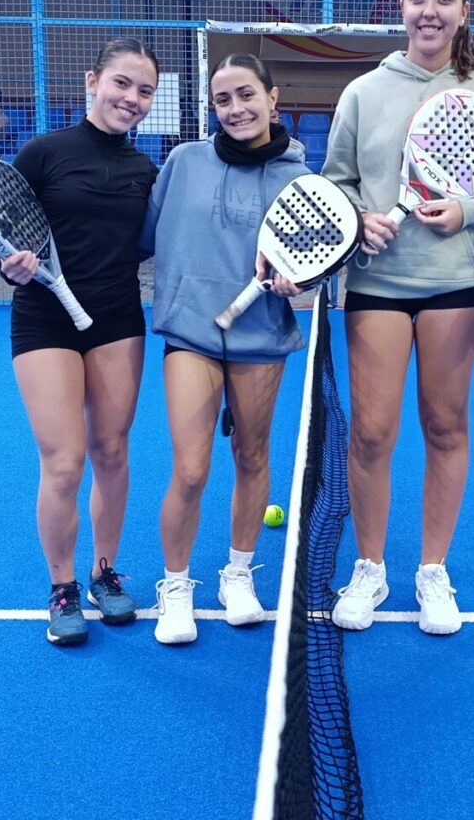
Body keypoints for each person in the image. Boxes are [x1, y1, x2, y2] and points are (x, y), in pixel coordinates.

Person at [322, 0, 474, 636]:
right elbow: (337, 182)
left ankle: (433, 570)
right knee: (371, 432)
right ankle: (370, 568)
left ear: (463, 11)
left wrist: (468, 211)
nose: (429, 10)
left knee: (445, 426)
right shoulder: (362, 93)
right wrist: (358, 220)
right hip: (376, 285)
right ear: (402, 8)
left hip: (455, 286)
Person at [141, 53, 309, 645]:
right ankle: (175, 586)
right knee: (190, 469)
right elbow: (141, 236)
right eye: (222, 100)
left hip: (260, 336)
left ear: (272, 98)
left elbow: (309, 263)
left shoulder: (299, 179)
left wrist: (297, 280)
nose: (235, 109)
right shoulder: (183, 162)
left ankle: (238, 573)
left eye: (246, 95)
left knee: (252, 457)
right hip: (192, 332)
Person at [0, 37, 160, 646]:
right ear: (93, 81)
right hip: (45, 320)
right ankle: (62, 586)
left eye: (144, 90)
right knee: (65, 463)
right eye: (122, 83)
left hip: (117, 318)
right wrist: (10, 265)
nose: (132, 98)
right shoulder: (43, 153)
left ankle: (103, 573)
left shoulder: (146, 171)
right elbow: (3, 233)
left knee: (111, 452)